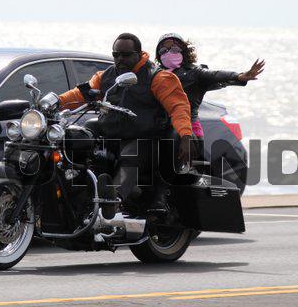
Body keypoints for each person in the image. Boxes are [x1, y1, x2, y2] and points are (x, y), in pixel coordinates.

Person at [58, 32, 193, 213]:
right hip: (112, 134)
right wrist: (53, 102)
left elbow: (179, 107)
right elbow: (80, 93)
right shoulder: (105, 76)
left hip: (144, 139)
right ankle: (75, 190)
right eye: (116, 55)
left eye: (126, 55)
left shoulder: (158, 78)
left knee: (131, 153)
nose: (120, 59)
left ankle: (113, 199)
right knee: (80, 134)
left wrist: (185, 136)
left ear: (139, 53)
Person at [155, 33, 265, 138]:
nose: (168, 53)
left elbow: (215, 75)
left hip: (189, 130)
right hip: (160, 130)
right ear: (159, 56)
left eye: (174, 49)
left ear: (183, 51)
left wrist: (239, 76)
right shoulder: (155, 75)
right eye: (163, 51)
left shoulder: (195, 72)